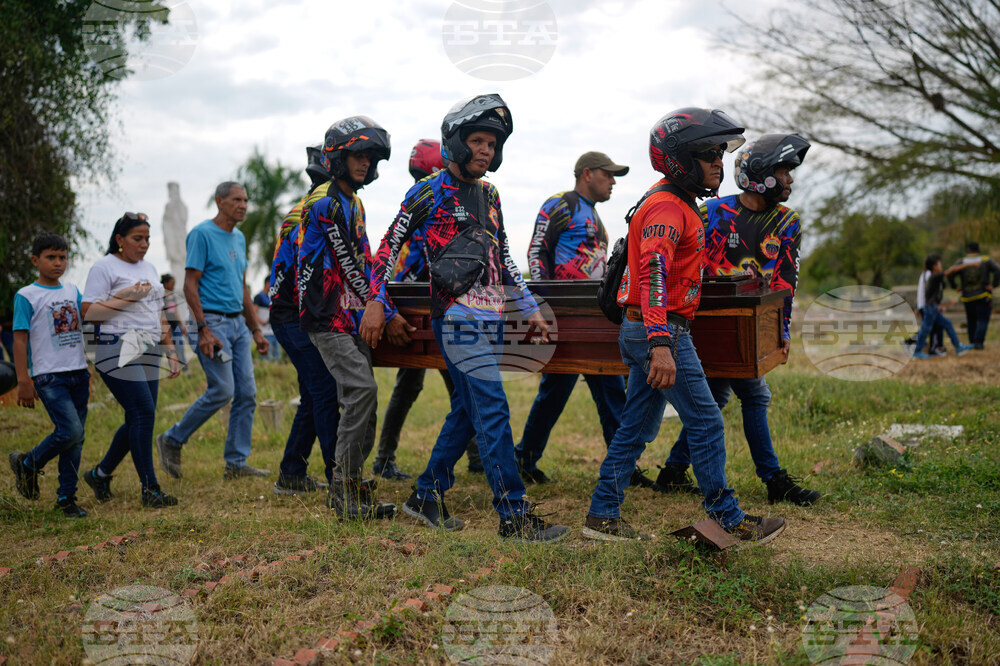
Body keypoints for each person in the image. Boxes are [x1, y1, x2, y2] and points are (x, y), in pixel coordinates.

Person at [361, 93, 570, 543]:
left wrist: (530, 307)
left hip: (492, 316)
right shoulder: (429, 190)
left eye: (492, 145)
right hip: (456, 318)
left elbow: (505, 255)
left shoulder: (491, 194)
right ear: (456, 142)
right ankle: (513, 514)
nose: (485, 151)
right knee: (493, 407)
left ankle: (425, 496)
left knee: (467, 410)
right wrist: (378, 299)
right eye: (477, 141)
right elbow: (387, 247)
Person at [583, 108, 786, 545]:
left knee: (635, 427)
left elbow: (669, 269)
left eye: (719, 153)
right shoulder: (667, 207)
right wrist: (661, 344)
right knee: (707, 422)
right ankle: (726, 516)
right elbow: (654, 271)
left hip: (649, 328)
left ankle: (602, 513)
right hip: (661, 331)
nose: (718, 162)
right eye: (709, 154)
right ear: (680, 159)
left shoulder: (674, 203)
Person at [656, 133, 821, 507]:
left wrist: (781, 330)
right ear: (760, 173)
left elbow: (785, 282)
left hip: (750, 326)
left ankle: (673, 469)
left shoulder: (787, 222)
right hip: (705, 323)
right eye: (783, 172)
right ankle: (773, 478)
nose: (790, 180)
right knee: (753, 395)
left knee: (715, 395)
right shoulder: (712, 212)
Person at [515, 151, 659, 489]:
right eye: (608, 176)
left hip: (595, 316)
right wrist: (543, 305)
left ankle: (623, 465)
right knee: (556, 391)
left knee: (609, 388)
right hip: (564, 315)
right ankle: (524, 459)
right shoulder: (561, 204)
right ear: (588, 174)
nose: (612, 182)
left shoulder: (595, 216)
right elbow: (537, 252)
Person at [298, 116, 408, 520]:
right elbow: (348, 265)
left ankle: (356, 489)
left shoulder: (354, 202)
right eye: (357, 156)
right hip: (326, 316)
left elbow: (367, 261)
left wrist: (386, 307)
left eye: (370, 157)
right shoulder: (323, 202)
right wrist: (388, 312)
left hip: (352, 313)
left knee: (368, 400)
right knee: (360, 392)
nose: (364, 164)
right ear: (337, 157)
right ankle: (342, 492)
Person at [372, 138, 482, 481]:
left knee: (447, 386)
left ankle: (476, 455)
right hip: (420, 307)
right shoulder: (431, 200)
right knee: (433, 385)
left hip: (425, 303)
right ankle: (385, 457)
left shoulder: (430, 199)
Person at [155, 182, 271, 480]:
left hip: (237, 325)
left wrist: (256, 330)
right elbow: (189, 284)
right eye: (236, 199)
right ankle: (172, 438)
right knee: (223, 389)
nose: (243, 205)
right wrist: (203, 329)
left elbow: (243, 287)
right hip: (212, 324)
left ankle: (236, 463)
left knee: (247, 394)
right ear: (220, 202)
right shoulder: (202, 234)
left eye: (246, 199)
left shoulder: (240, 238)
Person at [81, 213, 182, 508]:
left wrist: (171, 351)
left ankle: (100, 474)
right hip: (116, 347)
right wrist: (127, 297)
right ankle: (150, 489)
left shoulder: (150, 268)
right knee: (143, 413)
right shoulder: (104, 267)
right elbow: (88, 312)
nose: (144, 244)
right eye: (138, 238)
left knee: (140, 416)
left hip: (149, 348)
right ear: (119, 240)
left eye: (148, 238)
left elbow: (159, 313)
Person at [269, 144, 338, 495]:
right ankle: (338, 475)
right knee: (325, 389)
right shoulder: (313, 209)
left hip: (293, 314)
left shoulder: (306, 205)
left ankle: (292, 472)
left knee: (315, 394)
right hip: (293, 316)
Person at [8, 233, 90, 518]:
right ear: (35, 260)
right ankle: (29, 463)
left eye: (63, 257)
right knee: (71, 431)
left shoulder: (72, 290)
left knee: (75, 440)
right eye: (51, 257)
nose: (58, 263)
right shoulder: (26, 295)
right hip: (48, 376)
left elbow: (86, 324)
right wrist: (23, 380)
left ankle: (66, 497)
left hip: (78, 372)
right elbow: (19, 340)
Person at [913, 254, 974, 359]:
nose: (941, 266)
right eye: (939, 263)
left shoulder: (932, 277)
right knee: (926, 329)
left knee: (947, 324)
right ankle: (917, 351)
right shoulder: (934, 276)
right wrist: (969, 265)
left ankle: (958, 347)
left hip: (933, 308)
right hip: (930, 308)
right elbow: (952, 270)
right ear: (934, 266)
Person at [948, 241, 1000, 349]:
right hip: (983, 295)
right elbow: (997, 270)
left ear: (967, 251)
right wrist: (994, 285)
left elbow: (950, 273)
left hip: (967, 297)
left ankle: (972, 343)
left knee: (971, 321)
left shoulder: (961, 261)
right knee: (982, 320)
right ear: (979, 250)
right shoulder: (986, 260)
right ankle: (978, 343)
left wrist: (955, 286)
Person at [915, 265, 945, 356]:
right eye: (939, 264)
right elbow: (928, 292)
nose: (941, 266)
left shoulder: (924, 274)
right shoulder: (929, 275)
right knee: (930, 328)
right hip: (928, 306)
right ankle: (932, 348)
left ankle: (934, 347)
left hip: (925, 305)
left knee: (929, 328)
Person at [161, 273, 188, 367]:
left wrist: (181, 325)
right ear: (166, 283)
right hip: (165, 326)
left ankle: (184, 367)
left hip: (175, 324)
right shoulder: (160, 295)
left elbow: (175, 311)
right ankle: (173, 366)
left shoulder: (172, 295)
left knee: (179, 346)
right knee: (169, 348)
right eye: (172, 283)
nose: (174, 285)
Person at [252, 276, 281, 362]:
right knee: (268, 358)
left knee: (277, 357)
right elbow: (253, 312)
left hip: (272, 331)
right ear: (267, 283)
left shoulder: (269, 298)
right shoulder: (259, 297)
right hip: (264, 332)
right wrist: (262, 322)